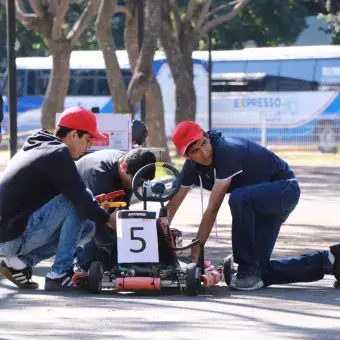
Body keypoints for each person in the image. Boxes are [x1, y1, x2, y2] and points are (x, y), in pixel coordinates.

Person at [167, 120, 340, 291]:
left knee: (238, 198)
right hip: (258, 204)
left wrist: (195, 255)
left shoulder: (226, 151)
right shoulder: (191, 168)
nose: (204, 152)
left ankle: (245, 269)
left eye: (204, 143)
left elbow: (212, 210)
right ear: (187, 156)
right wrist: (160, 229)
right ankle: (330, 260)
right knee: (261, 272)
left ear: (206, 136)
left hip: (283, 189)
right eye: (195, 151)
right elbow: (173, 203)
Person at [0, 107, 117, 291]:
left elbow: (61, 201)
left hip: (8, 235)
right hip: (12, 236)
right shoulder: (57, 153)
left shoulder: (40, 148)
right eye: (88, 139)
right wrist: (109, 219)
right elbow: (78, 199)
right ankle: (59, 274)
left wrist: (91, 202)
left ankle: (17, 263)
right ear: (73, 134)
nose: (89, 146)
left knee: (87, 228)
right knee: (77, 203)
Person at [74, 148, 156, 272]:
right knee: (101, 247)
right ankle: (79, 262)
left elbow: (122, 213)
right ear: (123, 167)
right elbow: (96, 216)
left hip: (107, 190)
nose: (138, 186)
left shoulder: (130, 166)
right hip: (77, 209)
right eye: (137, 181)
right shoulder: (98, 175)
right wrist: (119, 253)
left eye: (143, 183)